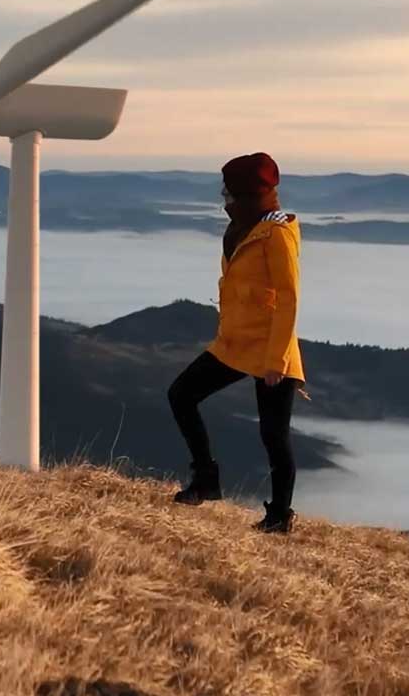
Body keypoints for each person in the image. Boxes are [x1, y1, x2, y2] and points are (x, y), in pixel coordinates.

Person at [167, 152, 306, 534]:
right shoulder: (244, 228)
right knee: (181, 395)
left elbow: (289, 296)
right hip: (235, 343)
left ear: (247, 195)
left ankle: (279, 516)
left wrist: (277, 359)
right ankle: (206, 479)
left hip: (270, 350)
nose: (224, 199)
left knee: (274, 435)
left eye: (228, 193)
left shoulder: (275, 233)